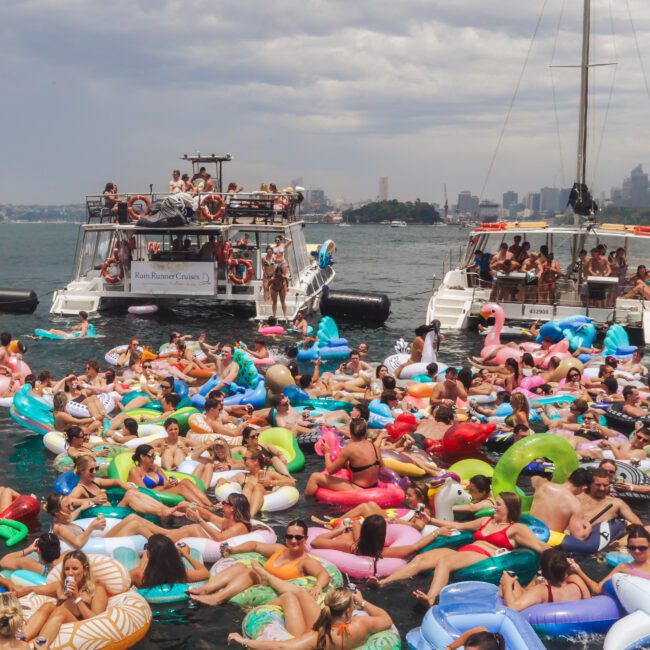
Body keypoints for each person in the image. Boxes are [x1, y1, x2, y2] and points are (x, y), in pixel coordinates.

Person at [368, 492, 549, 606]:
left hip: (485, 555)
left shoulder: (516, 528)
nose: (494, 506)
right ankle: (383, 582)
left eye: (499, 504)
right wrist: (431, 521)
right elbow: (457, 525)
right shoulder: (486, 521)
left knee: (444, 562)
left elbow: (538, 545)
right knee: (421, 559)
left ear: (509, 508)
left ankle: (430, 599)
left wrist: (557, 558)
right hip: (466, 551)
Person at [188, 520, 330, 606]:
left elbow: (323, 573)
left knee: (253, 572)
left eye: (298, 537)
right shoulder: (279, 550)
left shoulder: (305, 561)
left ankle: (217, 598)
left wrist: (318, 586)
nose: (293, 540)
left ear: (305, 538)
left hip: (273, 588)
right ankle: (206, 589)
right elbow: (255, 545)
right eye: (289, 536)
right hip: (261, 580)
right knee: (240, 566)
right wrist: (233, 550)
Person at [227, 584, 393, 650]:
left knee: (288, 598)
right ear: (349, 611)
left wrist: (243, 641)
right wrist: (361, 601)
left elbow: (282, 648)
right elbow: (386, 619)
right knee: (301, 593)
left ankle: (254, 609)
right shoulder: (361, 624)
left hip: (303, 634)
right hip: (335, 630)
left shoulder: (317, 637)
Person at [19, 550, 108, 645]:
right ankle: (20, 638)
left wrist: (77, 598)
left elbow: (96, 620)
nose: (70, 573)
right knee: (48, 606)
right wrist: (17, 591)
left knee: (60, 611)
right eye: (67, 569)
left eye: (75, 568)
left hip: (83, 628)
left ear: (85, 570)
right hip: (56, 624)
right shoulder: (60, 586)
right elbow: (33, 589)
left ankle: (41, 646)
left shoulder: (97, 589)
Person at [310, 514, 452, 573]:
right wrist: (437, 532)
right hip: (368, 550)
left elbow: (316, 542)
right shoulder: (384, 552)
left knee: (354, 523)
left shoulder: (352, 547)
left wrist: (339, 530)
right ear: (383, 534)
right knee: (355, 524)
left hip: (357, 545)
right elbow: (416, 546)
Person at [305, 419, 381, 496]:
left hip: (359, 489)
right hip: (374, 486)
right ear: (365, 432)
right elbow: (381, 466)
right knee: (348, 464)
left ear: (351, 432)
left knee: (315, 477)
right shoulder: (374, 446)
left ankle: (306, 501)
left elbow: (330, 471)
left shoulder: (349, 448)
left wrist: (327, 453)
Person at [500, 548, 590, 612]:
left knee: (512, 584)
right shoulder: (576, 580)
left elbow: (512, 608)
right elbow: (590, 603)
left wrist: (506, 584)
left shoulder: (542, 590)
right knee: (517, 586)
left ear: (542, 571)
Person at [128, 444, 213, 508]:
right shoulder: (135, 471)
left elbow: (166, 482)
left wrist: (172, 482)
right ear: (142, 457)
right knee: (182, 488)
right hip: (153, 496)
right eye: (152, 456)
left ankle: (211, 504)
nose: (154, 458)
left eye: (154, 456)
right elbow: (144, 492)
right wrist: (164, 487)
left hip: (163, 491)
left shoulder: (155, 468)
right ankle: (204, 507)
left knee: (186, 481)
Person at [216, 450, 295, 517]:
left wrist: (271, 482)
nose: (243, 461)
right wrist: (221, 480)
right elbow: (225, 480)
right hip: (245, 510)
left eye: (245, 458)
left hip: (266, 511)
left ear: (255, 461)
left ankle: (249, 516)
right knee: (249, 485)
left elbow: (291, 481)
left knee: (258, 487)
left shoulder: (269, 474)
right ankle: (243, 515)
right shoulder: (242, 476)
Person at [571, 525, 650, 590]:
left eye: (642, 548)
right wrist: (578, 570)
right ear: (628, 547)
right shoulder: (623, 567)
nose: (637, 551)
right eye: (632, 548)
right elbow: (597, 589)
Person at [529, 468, 592, 538]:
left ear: (569, 476)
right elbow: (579, 537)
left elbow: (534, 478)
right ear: (584, 488)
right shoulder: (575, 505)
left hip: (527, 533)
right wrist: (589, 528)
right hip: (546, 541)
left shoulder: (543, 485)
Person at [129, 534, 209, 588]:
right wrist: (186, 554)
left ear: (148, 554)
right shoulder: (179, 574)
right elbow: (205, 573)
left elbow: (119, 587)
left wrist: (147, 555)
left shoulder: (138, 575)